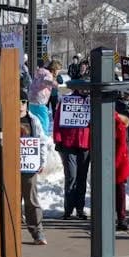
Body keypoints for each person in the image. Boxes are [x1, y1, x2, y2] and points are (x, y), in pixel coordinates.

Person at [52, 89, 91, 220]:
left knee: (82, 177)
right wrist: (57, 138)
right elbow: (57, 119)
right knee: (71, 176)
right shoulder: (67, 100)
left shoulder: (92, 100)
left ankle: (80, 208)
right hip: (68, 144)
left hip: (86, 144)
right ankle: (68, 209)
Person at [19, 98, 52, 245]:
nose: (20, 105)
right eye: (17, 101)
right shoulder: (6, 118)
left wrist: (41, 161)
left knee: (31, 199)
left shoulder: (33, 120)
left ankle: (37, 232)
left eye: (23, 102)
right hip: (10, 166)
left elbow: (42, 141)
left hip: (28, 166)